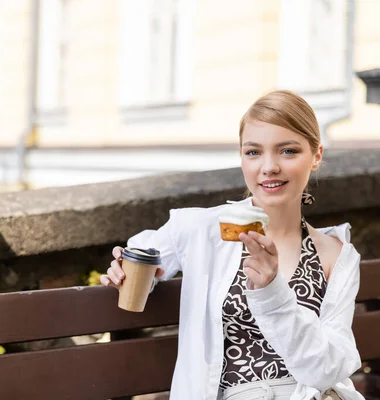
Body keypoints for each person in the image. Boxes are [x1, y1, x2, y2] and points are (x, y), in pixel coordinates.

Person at [100, 90, 365, 400]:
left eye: (288, 151)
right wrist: (125, 269)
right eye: (253, 152)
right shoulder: (201, 231)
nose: (268, 167)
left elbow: (328, 371)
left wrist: (271, 293)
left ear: (316, 156)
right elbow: (147, 254)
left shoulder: (336, 255)